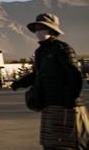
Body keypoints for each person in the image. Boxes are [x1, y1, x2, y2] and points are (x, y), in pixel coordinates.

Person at [11, 13, 86, 149]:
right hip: (49, 103)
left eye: (42, 28)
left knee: (69, 144)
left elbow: (74, 76)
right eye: (37, 28)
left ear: (51, 30)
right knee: (51, 144)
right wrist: (20, 83)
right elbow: (38, 74)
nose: (38, 31)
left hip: (66, 104)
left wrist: (69, 100)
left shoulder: (63, 49)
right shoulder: (40, 52)